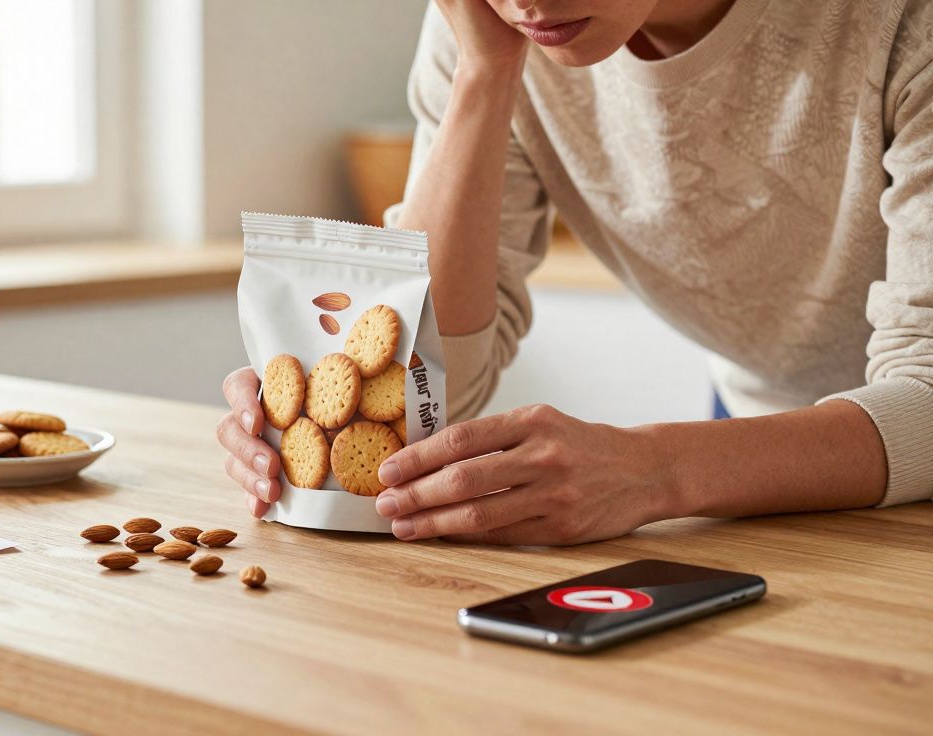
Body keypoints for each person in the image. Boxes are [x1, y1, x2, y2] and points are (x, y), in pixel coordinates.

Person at [217, 0, 933, 544]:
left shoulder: (903, 22)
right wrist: (484, 73)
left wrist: (655, 469)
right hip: (754, 449)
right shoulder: (492, 25)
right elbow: (435, 393)